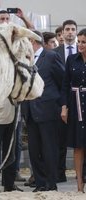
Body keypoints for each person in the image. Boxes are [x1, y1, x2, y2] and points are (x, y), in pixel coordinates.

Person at [0, 9, 34, 193]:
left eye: (7, 18)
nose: (5, 21)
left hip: (14, 107)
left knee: (12, 150)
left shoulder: (17, 45)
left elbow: (33, 35)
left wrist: (23, 17)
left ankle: (10, 183)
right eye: (2, 19)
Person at [21, 30, 65, 192]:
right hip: (30, 111)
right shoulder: (25, 59)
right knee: (34, 150)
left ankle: (51, 183)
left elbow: (62, 81)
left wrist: (62, 106)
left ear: (33, 41)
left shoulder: (51, 56)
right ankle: (39, 182)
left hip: (48, 110)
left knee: (49, 148)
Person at [60, 28, 86, 192]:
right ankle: (79, 186)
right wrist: (64, 107)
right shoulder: (71, 59)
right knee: (78, 146)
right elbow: (64, 85)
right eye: (79, 42)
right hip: (76, 106)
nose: (80, 45)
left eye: (84, 42)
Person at [54, 19, 78, 183]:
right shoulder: (55, 52)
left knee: (81, 139)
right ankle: (60, 173)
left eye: (72, 29)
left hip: (79, 101)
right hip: (60, 101)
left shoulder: (82, 50)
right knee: (60, 140)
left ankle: (81, 173)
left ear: (76, 32)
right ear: (62, 33)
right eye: (67, 29)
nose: (70, 32)